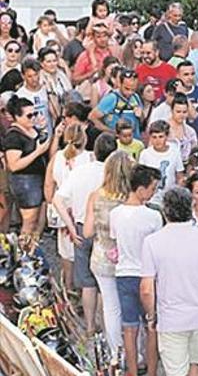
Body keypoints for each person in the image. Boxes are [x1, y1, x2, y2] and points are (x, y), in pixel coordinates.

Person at [141, 187, 198, 376]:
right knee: (196, 365)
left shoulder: (153, 242)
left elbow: (146, 289)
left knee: (176, 370)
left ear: (165, 210)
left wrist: (151, 316)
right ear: (191, 207)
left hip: (172, 317)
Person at [53, 133, 117, 336]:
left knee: (87, 282)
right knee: (105, 283)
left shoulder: (80, 172)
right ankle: (106, 327)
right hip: (107, 231)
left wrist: (70, 227)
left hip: (81, 227)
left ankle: (90, 326)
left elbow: (57, 199)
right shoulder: (113, 175)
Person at [109, 164, 162, 376]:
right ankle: (151, 372)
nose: (153, 193)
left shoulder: (115, 214)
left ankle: (131, 371)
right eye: (152, 188)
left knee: (129, 328)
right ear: (140, 189)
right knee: (151, 326)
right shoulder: (154, 217)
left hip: (123, 274)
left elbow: (115, 241)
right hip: (147, 276)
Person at [83, 151, 134, 359]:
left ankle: (116, 352)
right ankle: (136, 354)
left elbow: (87, 232)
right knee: (132, 307)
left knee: (111, 307)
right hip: (129, 258)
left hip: (102, 257)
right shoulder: (132, 197)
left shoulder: (96, 195)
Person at [44, 122, 91, 289]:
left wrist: (51, 204)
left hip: (62, 208)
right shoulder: (89, 158)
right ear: (84, 139)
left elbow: (49, 185)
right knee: (84, 251)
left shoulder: (57, 157)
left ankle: (68, 287)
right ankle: (85, 287)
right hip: (82, 210)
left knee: (66, 252)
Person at [3, 95, 52, 235]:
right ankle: (23, 253)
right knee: (29, 222)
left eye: (35, 113)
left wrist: (43, 131)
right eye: (29, 115)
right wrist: (37, 152)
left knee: (38, 220)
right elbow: (13, 165)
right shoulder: (13, 136)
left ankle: (31, 251)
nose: (33, 118)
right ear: (17, 117)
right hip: (25, 181)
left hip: (38, 178)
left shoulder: (31, 128)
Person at [138, 120, 185, 206]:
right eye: (154, 137)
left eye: (161, 137)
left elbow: (179, 176)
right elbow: (141, 179)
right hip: (150, 200)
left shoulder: (174, 152)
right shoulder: (145, 154)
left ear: (166, 137)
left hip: (170, 199)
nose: (157, 140)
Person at [89, 70, 145, 139]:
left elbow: (141, 120)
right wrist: (111, 131)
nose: (130, 92)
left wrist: (141, 115)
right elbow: (92, 117)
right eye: (127, 88)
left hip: (135, 141)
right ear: (120, 84)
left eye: (133, 89)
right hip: (118, 142)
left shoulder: (136, 97)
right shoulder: (112, 98)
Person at [176, 60, 198, 137]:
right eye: (186, 74)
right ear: (178, 76)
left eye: (192, 74)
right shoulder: (173, 94)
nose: (190, 77)